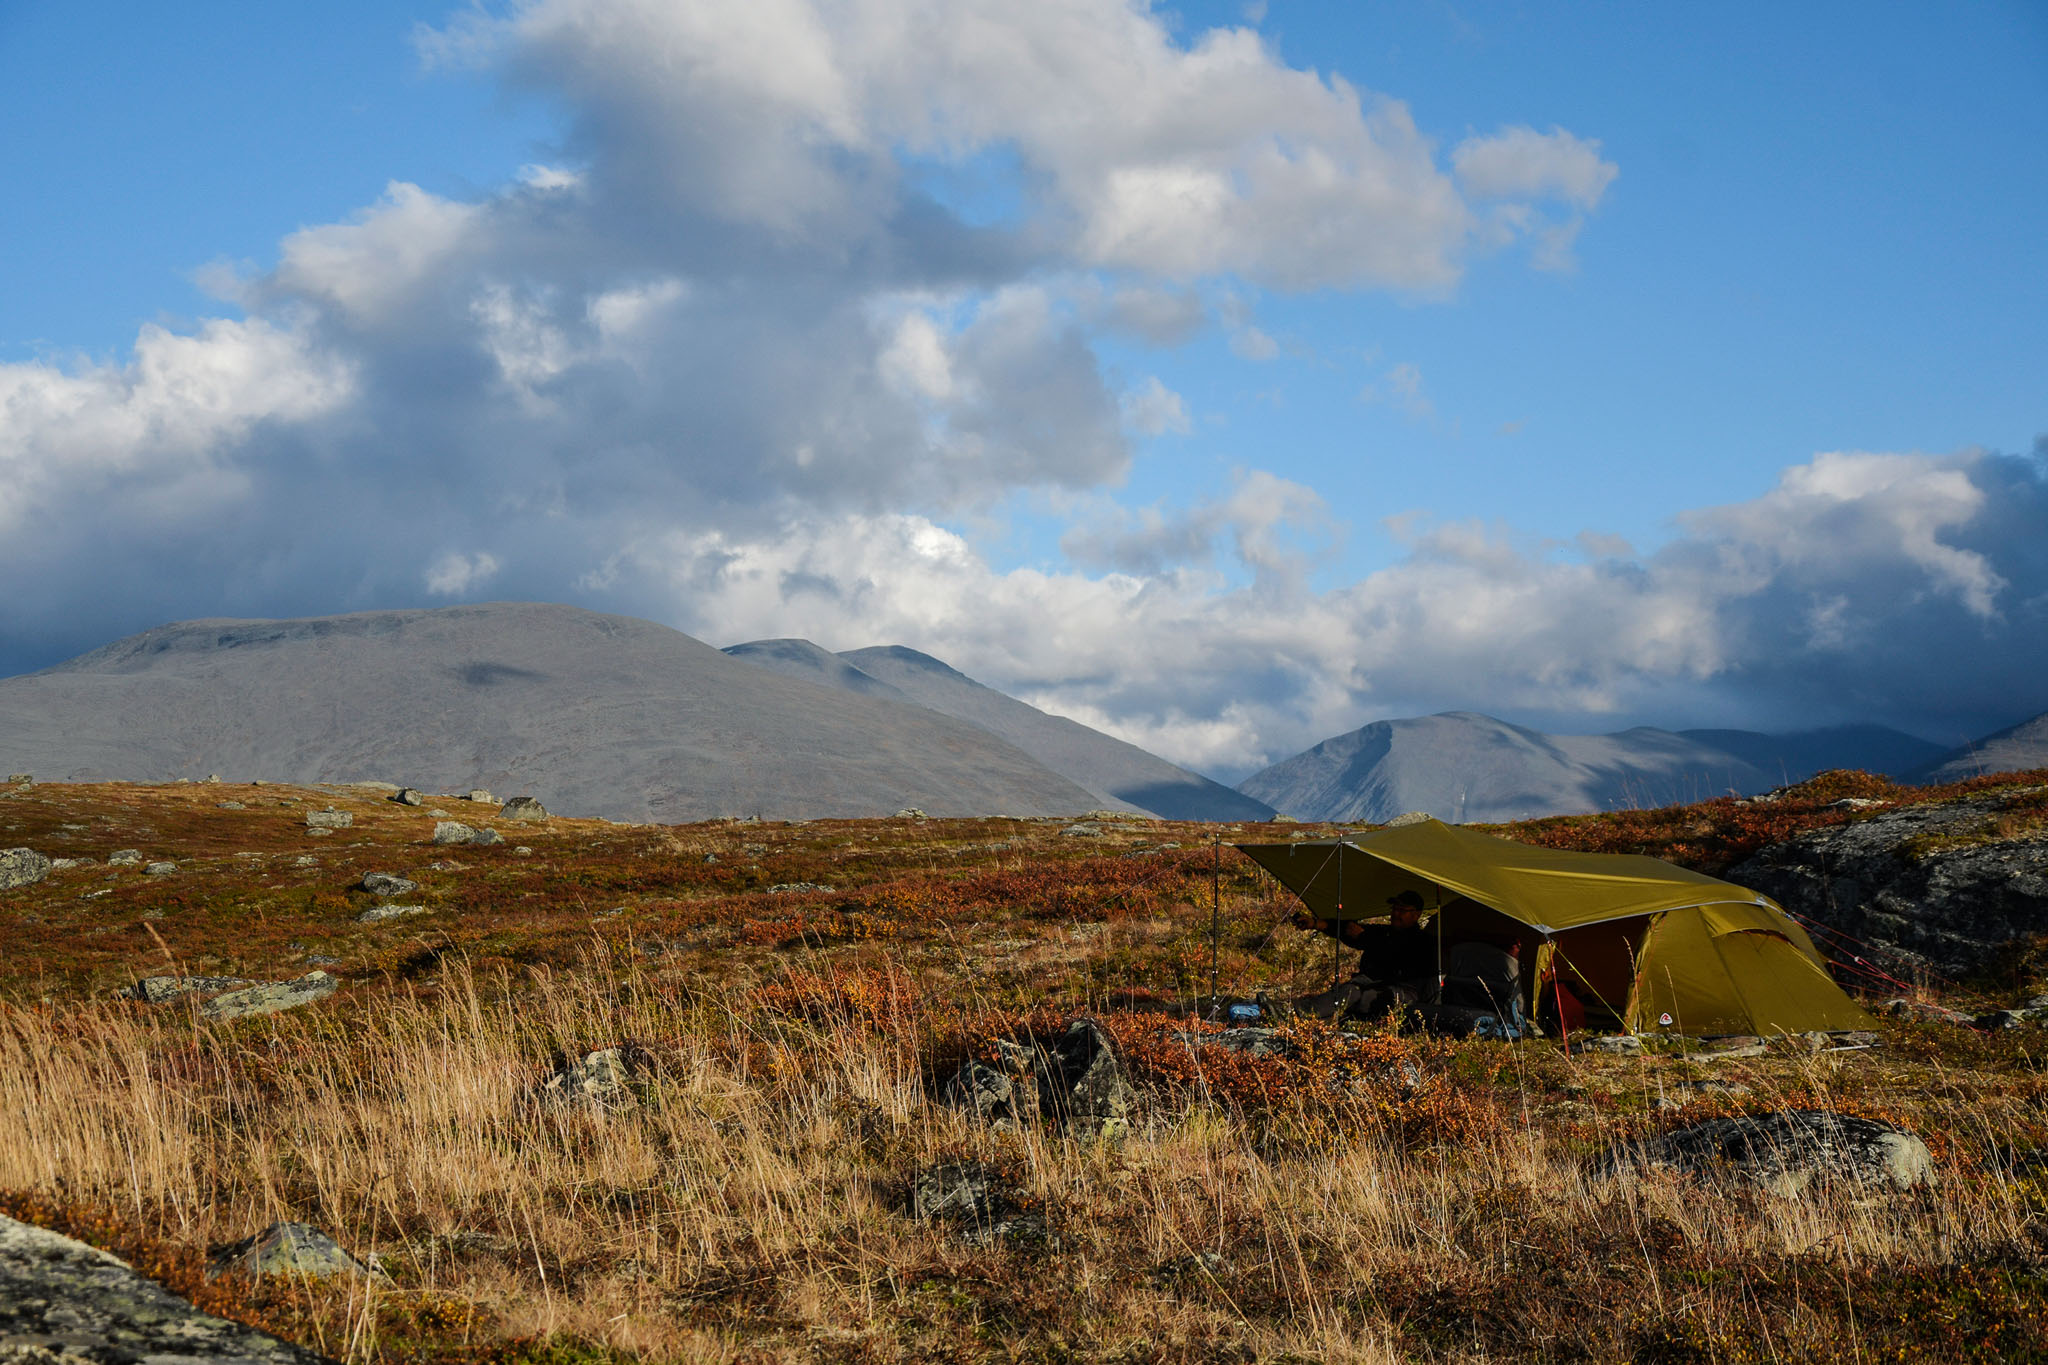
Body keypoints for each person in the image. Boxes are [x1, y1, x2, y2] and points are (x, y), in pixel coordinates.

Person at [1290, 889, 1438, 1022]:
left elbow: (1396, 958)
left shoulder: (1423, 941)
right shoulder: (1383, 932)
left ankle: (1299, 1013)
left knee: (1356, 994)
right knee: (1353, 993)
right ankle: (1302, 1015)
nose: (1395, 914)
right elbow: (1349, 930)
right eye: (1394, 909)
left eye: (1402, 910)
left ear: (1416, 914)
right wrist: (1316, 924)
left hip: (1401, 993)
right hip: (1370, 987)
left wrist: (1366, 938)